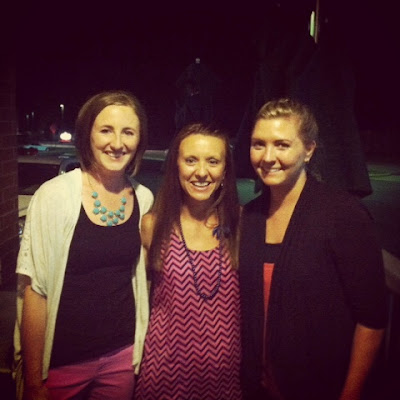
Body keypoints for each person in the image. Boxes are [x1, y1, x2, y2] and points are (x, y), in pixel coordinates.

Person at [239, 98, 387, 400]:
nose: (268, 157)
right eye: (258, 144)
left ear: (308, 149)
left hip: (320, 388)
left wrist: (351, 394)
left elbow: (371, 318)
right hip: (257, 388)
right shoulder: (250, 216)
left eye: (282, 145)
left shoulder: (342, 215)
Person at [14, 90, 153, 400]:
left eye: (128, 132)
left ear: (139, 140)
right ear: (88, 134)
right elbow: (35, 290)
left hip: (121, 358)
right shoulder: (55, 196)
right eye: (106, 130)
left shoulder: (143, 198)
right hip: (61, 363)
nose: (117, 143)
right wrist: (34, 381)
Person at [135, 123, 242, 399]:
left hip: (225, 378)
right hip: (163, 375)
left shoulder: (241, 224)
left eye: (213, 161)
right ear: (176, 166)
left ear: (225, 170)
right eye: (191, 160)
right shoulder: (153, 225)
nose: (202, 172)